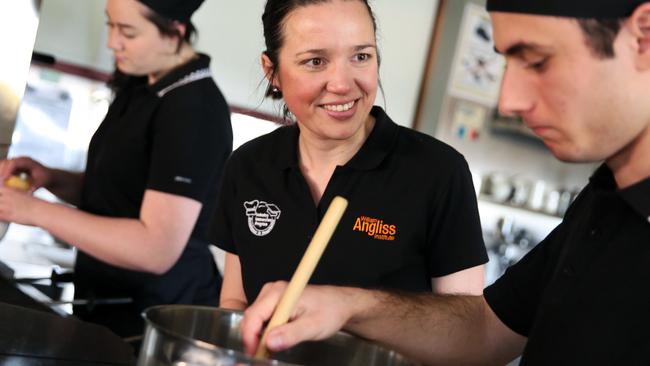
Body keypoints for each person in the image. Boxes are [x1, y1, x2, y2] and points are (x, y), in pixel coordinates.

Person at [239, 0, 650, 364]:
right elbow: (487, 331)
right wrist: (347, 305)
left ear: (643, 35)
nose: (508, 101)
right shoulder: (605, 200)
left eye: (537, 61)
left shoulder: (436, 170)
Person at [209, 0, 487, 311]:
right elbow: (236, 301)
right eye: (315, 61)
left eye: (360, 56)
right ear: (271, 71)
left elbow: (463, 328)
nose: (342, 84)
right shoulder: (249, 167)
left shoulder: (439, 173)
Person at [0, 0, 232, 337]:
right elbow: (119, 192)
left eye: (128, 31)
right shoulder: (140, 84)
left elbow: (156, 249)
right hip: (105, 305)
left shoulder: (193, 109)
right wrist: (51, 179)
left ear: (174, 34)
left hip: (153, 321)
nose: (112, 41)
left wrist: (34, 211)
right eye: (111, 24)